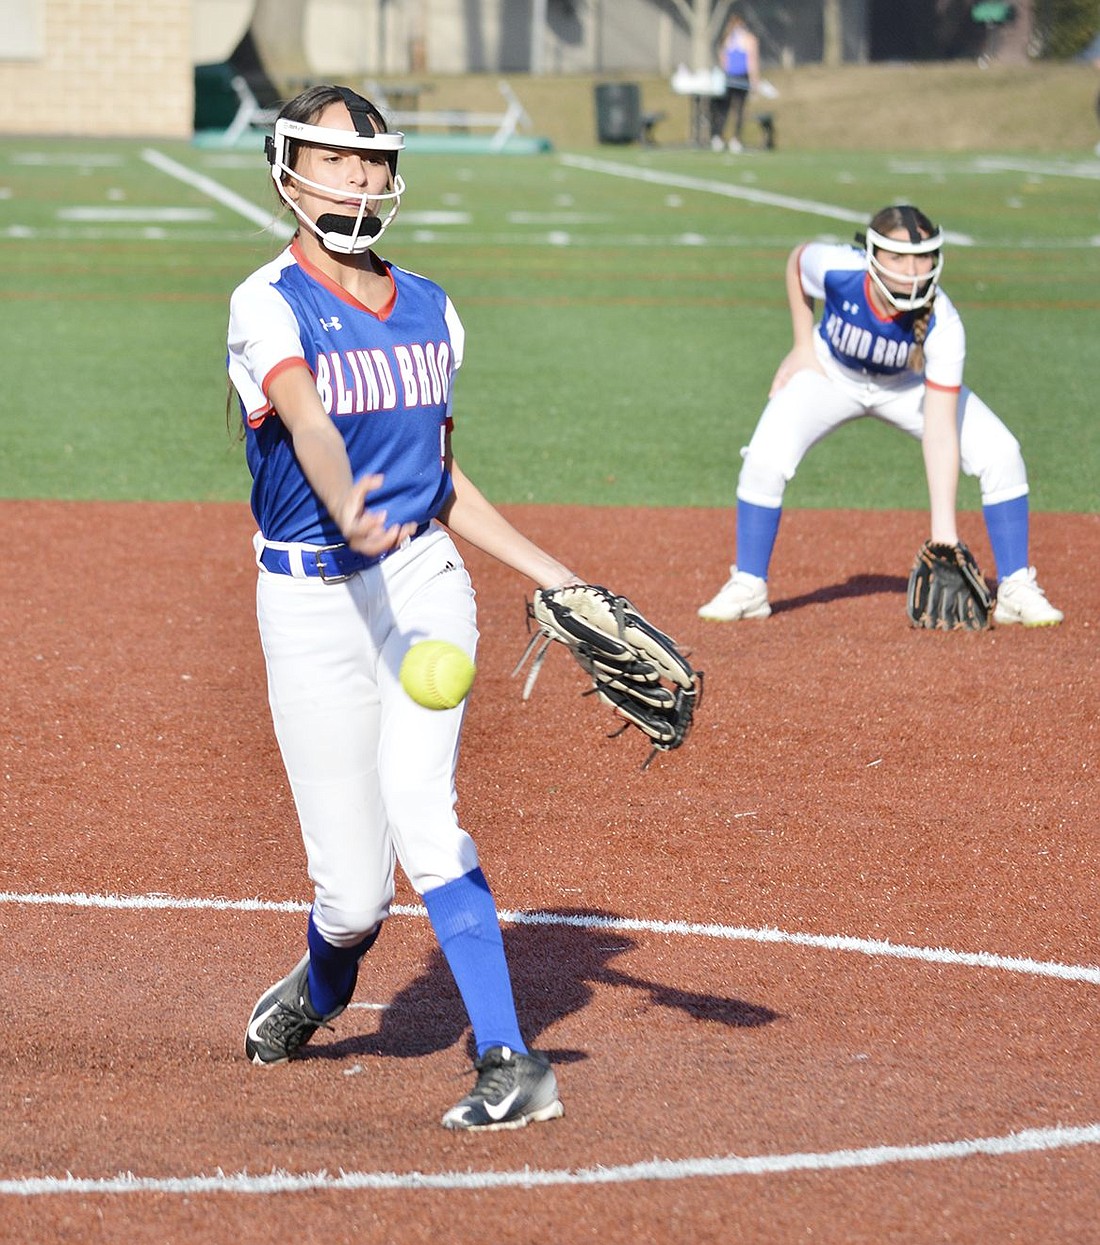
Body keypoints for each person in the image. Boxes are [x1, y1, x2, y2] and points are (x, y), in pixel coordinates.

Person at [227, 84, 577, 1130]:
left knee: (424, 814)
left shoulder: (431, 304)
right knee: (352, 897)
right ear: (289, 168)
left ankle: (512, 1062)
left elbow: (441, 478)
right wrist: (344, 502)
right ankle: (323, 988)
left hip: (420, 580)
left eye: (373, 160)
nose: (361, 178)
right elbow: (305, 417)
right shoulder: (266, 300)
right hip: (306, 603)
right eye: (337, 159)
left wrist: (547, 568)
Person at [698, 204, 1063, 628]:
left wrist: (943, 534)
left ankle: (1017, 587)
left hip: (909, 386)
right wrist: (801, 343)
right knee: (764, 458)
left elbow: (941, 432)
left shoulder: (944, 322)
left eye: (923, 257)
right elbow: (799, 260)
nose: (912, 270)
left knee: (1002, 453)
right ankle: (749, 585)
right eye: (898, 257)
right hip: (832, 373)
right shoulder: (839, 268)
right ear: (871, 256)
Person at [710, 14, 760, 153]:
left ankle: (729, 138)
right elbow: (751, 61)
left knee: (736, 110)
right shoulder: (737, 38)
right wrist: (754, 80)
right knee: (728, 109)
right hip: (735, 77)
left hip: (736, 77)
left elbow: (725, 60)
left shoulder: (732, 38)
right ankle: (726, 138)